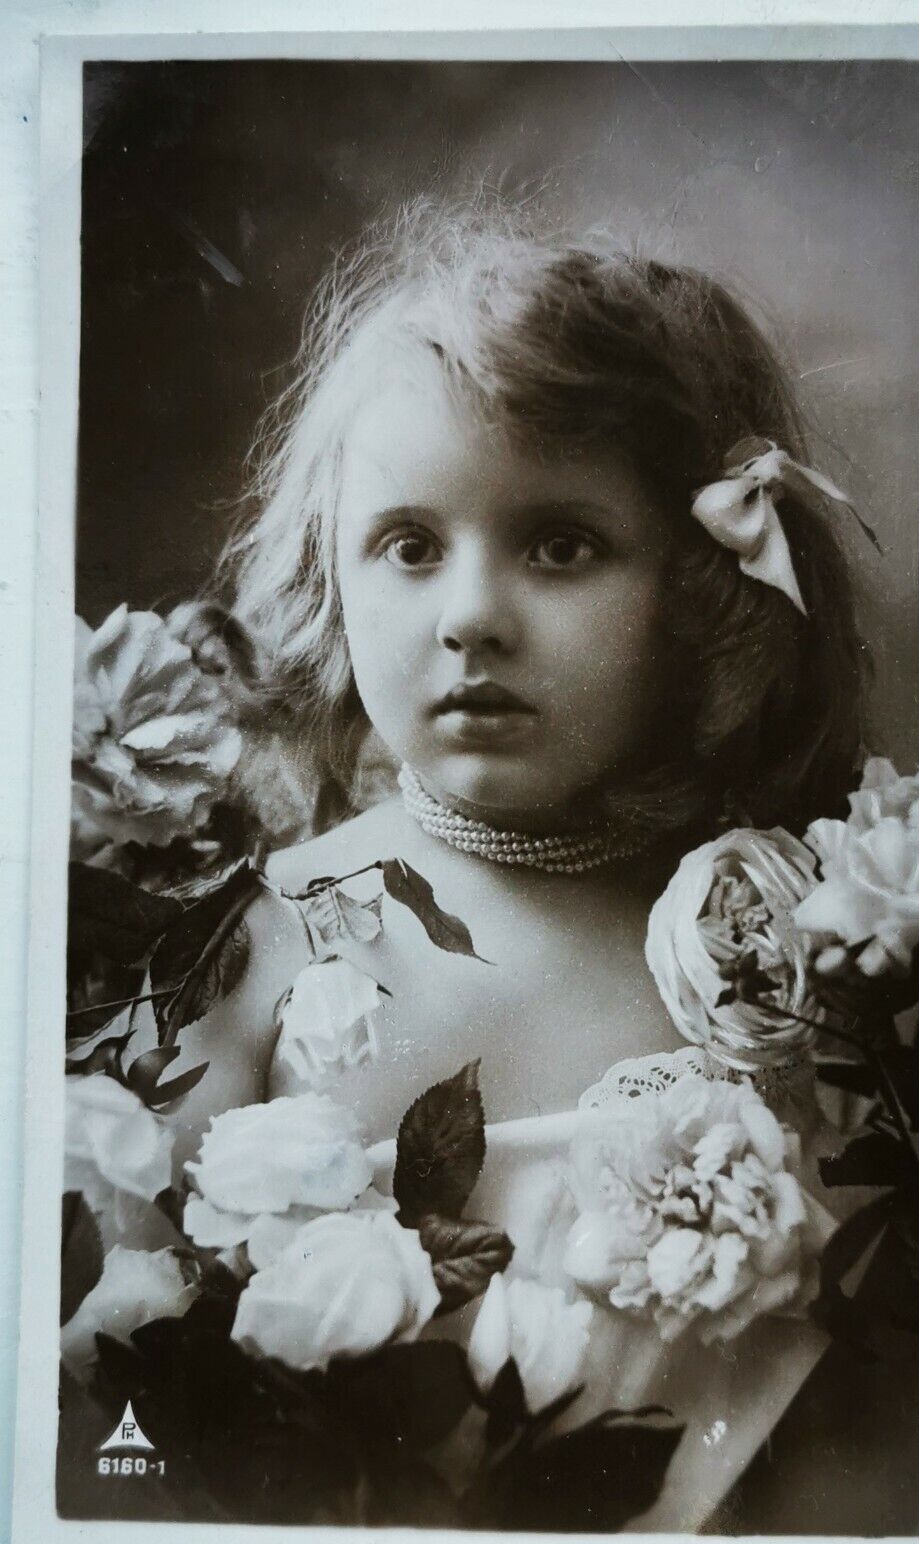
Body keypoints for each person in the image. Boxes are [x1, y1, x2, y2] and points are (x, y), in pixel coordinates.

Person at [162, 200, 868, 1174]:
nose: (472, 616)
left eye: (560, 546)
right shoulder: (260, 946)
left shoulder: (784, 941)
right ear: (332, 579)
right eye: (410, 545)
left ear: (700, 588)